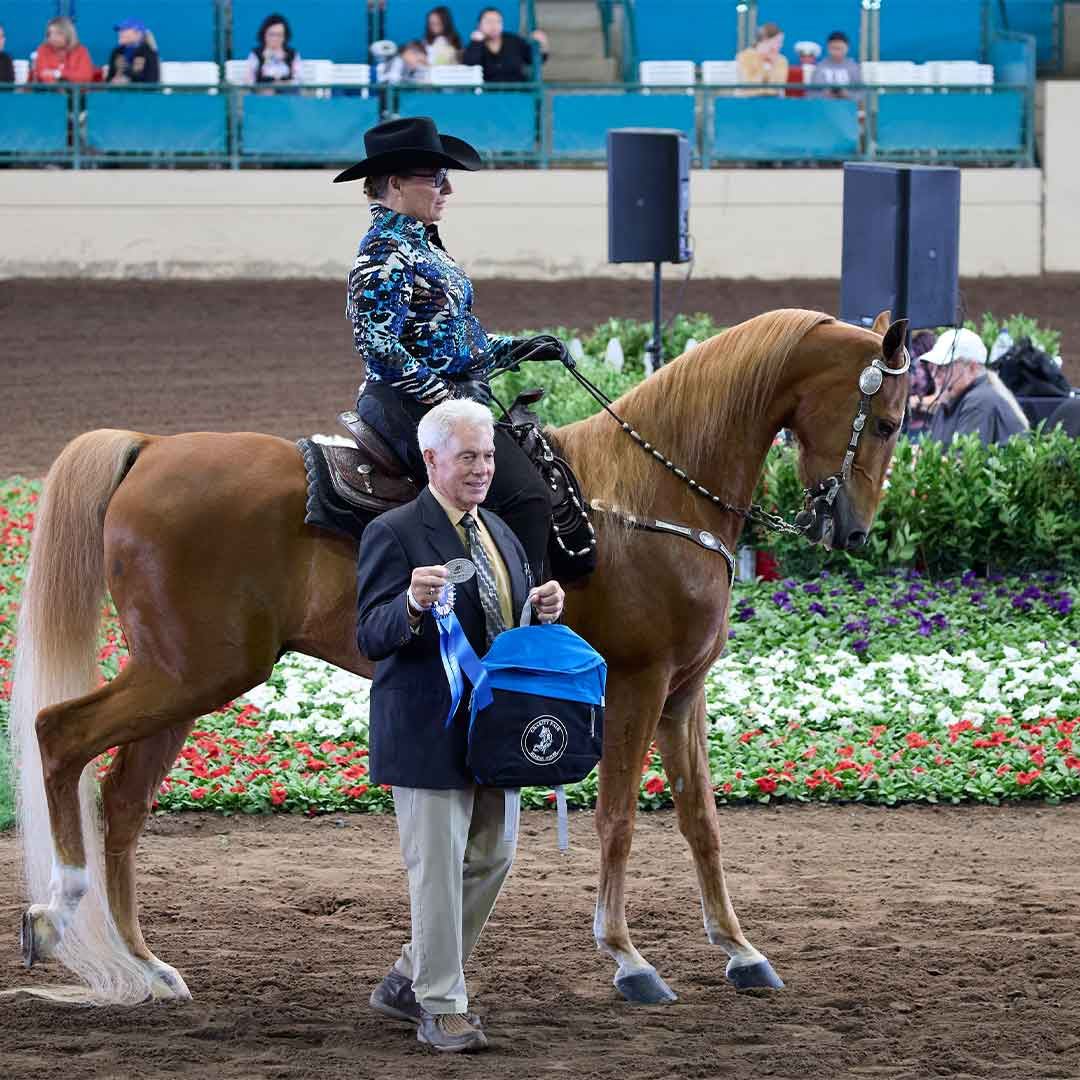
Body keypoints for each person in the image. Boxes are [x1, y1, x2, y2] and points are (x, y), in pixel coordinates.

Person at [356, 398, 565, 1053]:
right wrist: (411, 606)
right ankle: (441, 1005)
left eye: (488, 456)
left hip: (492, 733)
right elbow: (369, 634)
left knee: (494, 857)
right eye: (468, 457)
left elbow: (504, 627)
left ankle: (410, 974)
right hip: (426, 732)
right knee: (437, 870)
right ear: (432, 460)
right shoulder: (393, 532)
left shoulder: (500, 531)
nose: (481, 469)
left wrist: (544, 610)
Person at [335, 116, 563, 582]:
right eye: (436, 178)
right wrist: (447, 399)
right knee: (527, 499)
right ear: (396, 184)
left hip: (443, 398)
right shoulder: (384, 251)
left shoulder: (422, 246)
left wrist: (516, 349)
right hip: (408, 403)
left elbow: (451, 337)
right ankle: (522, 618)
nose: (448, 189)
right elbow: (377, 345)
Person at [922, 328, 1030, 447]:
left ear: (972, 368)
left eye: (944, 368)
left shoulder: (979, 400)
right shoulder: (950, 399)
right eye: (932, 367)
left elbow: (962, 462)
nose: (935, 375)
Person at [462, 7, 548, 83]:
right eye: (488, 22)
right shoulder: (475, 45)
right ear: (479, 25)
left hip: (517, 93)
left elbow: (536, 59)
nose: (493, 26)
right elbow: (470, 65)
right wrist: (476, 43)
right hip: (487, 95)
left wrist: (543, 45)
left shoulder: (514, 41)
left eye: (498, 21)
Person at [29, 16, 95, 84]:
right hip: (50, 92)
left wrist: (58, 73)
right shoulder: (43, 49)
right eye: (50, 33)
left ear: (68, 34)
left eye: (58, 33)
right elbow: (43, 75)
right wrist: (69, 76)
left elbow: (85, 76)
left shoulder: (81, 51)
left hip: (77, 93)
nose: (52, 37)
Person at [246, 13, 302, 87]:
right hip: (262, 94)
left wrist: (284, 84)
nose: (275, 39)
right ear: (264, 35)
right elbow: (249, 81)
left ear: (285, 36)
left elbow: (298, 79)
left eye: (279, 35)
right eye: (271, 34)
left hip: (287, 94)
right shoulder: (255, 54)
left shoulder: (293, 54)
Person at [735, 22, 788, 96]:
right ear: (765, 40)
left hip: (773, 101)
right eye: (778, 42)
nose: (780, 45)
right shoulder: (744, 57)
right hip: (748, 101)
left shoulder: (782, 60)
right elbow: (748, 85)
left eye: (781, 42)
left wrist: (770, 64)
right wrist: (765, 65)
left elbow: (778, 87)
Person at [904, 329, 938, 440]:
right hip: (916, 425)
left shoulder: (922, 363)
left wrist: (918, 402)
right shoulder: (915, 358)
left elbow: (940, 398)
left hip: (919, 426)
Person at [106, 18, 160, 84]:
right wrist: (113, 81)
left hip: (139, 93)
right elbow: (109, 78)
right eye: (120, 30)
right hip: (117, 93)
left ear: (138, 33)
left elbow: (152, 81)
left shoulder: (148, 52)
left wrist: (127, 76)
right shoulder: (117, 51)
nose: (120, 33)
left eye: (124, 30)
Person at [811, 31, 860, 96]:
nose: (837, 52)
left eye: (840, 48)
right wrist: (825, 94)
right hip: (824, 104)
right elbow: (812, 91)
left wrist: (847, 95)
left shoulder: (854, 67)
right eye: (833, 48)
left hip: (848, 104)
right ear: (828, 49)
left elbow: (861, 92)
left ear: (847, 48)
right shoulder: (820, 67)